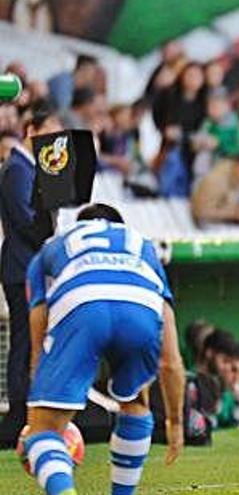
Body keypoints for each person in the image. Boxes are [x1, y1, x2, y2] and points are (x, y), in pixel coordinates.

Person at [21, 203, 186, 495]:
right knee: (135, 404)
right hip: (141, 306)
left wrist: (39, 394)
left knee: (43, 432)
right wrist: (175, 421)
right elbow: (170, 361)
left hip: (81, 302)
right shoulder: (144, 246)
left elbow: (39, 319)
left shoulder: (52, 247)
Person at [0, 100, 60, 446]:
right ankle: (18, 416)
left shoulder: (27, 169)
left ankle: (24, 413)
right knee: (23, 341)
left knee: (28, 340)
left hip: (26, 266)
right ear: (31, 132)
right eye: (48, 134)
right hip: (21, 267)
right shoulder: (18, 170)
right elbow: (26, 221)